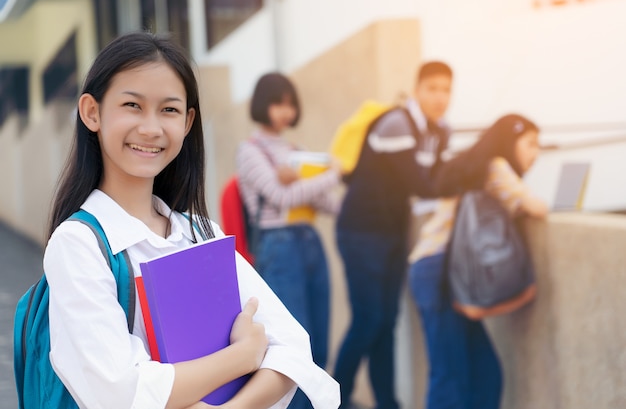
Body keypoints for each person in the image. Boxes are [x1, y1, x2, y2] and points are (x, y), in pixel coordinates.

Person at [43, 32, 339, 409]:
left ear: (187, 122)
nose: (151, 128)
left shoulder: (200, 232)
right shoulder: (78, 244)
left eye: (168, 110)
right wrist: (242, 356)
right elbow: (121, 392)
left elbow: (292, 348)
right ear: (92, 112)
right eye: (132, 105)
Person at [333, 61, 454, 409]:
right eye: (432, 88)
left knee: (388, 322)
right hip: (361, 232)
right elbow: (423, 184)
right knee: (369, 320)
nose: (439, 97)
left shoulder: (440, 131)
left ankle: (387, 402)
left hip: (393, 233)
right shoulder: (397, 123)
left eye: (446, 90)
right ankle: (330, 399)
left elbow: (440, 180)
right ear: (417, 90)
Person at [408, 114, 548, 409]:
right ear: (511, 141)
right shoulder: (495, 166)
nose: (535, 153)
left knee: (486, 375)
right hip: (439, 270)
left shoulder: (477, 166)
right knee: (449, 378)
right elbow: (535, 206)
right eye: (530, 144)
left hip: (439, 269)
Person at [236, 72, 341, 409]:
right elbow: (280, 197)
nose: (285, 111)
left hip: (309, 240)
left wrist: (327, 183)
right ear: (262, 105)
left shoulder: (297, 151)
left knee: (320, 341)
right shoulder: (250, 150)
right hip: (278, 245)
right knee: (294, 350)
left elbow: (322, 202)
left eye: (290, 104)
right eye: (278, 103)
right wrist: (332, 176)